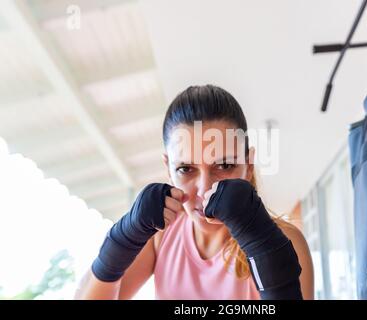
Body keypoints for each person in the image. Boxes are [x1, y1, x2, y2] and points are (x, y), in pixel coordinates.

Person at [75, 85, 314, 300]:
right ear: (168, 170)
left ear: (248, 165)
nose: (204, 189)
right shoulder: (160, 235)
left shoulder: (284, 242)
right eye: (185, 169)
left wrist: (265, 250)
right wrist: (123, 239)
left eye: (224, 166)